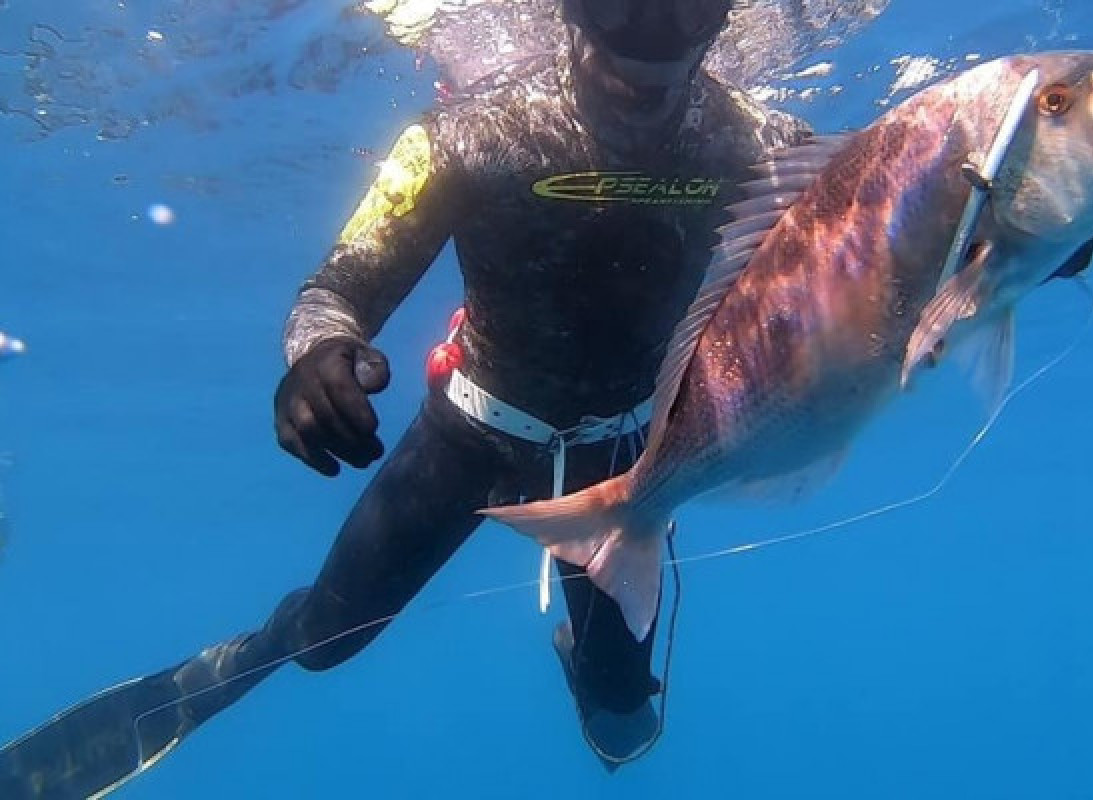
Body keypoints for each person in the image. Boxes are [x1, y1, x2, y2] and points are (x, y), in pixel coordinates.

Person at [0, 0, 812, 795]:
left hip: (620, 465)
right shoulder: (469, 137)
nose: (652, 32)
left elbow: (890, 246)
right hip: (473, 435)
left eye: (687, 7)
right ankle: (242, 661)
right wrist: (317, 355)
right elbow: (336, 292)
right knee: (324, 641)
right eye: (620, 7)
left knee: (622, 727)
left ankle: (587, 662)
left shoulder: (776, 148)